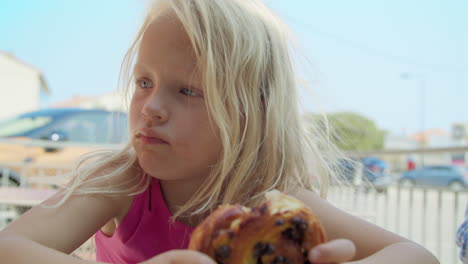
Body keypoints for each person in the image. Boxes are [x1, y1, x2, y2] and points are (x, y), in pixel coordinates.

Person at [0, 0, 439, 263]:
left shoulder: (271, 202)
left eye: (188, 90)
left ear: (252, 113)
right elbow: (11, 245)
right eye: (144, 82)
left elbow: (418, 256)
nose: (150, 107)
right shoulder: (123, 181)